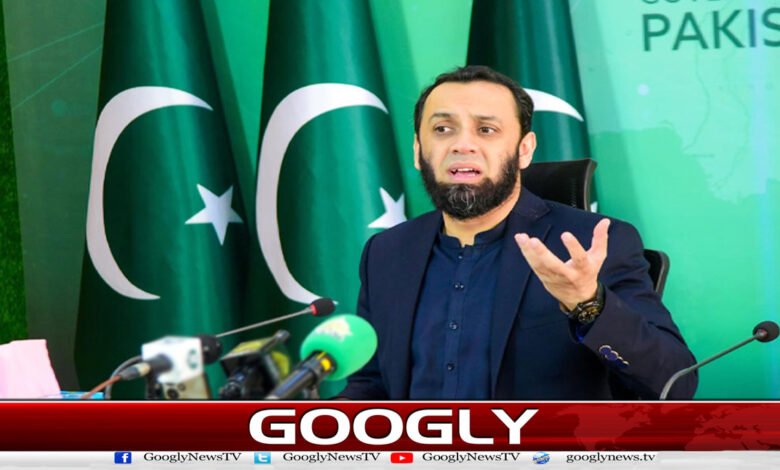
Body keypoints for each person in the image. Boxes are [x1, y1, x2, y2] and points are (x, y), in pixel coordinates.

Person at [339, 65, 697, 400]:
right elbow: (371, 385)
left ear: (524, 150)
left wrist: (588, 303)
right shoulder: (387, 252)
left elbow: (674, 383)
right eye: (443, 129)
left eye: (486, 130)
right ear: (419, 151)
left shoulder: (592, 244)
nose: (462, 145)